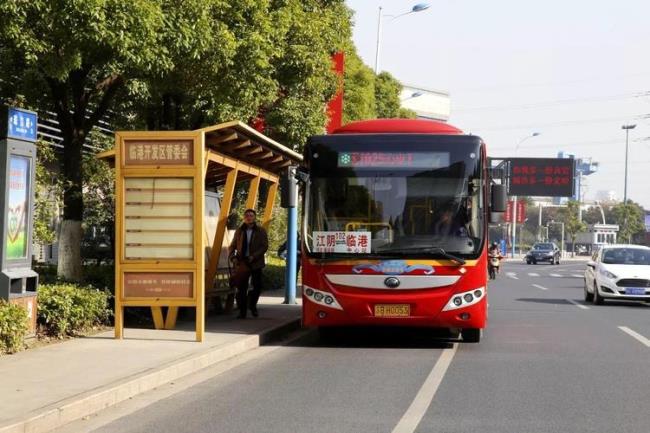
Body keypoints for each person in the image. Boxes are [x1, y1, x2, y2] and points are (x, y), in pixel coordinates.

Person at [228, 209, 268, 319]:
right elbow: (232, 246)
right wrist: (233, 257)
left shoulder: (260, 230)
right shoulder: (240, 231)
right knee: (241, 288)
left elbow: (264, 246)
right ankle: (242, 311)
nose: (249, 217)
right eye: (247, 215)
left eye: (251, 215)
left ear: (254, 217)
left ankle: (252, 304)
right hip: (242, 262)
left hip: (256, 263)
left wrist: (254, 256)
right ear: (244, 218)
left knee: (257, 286)